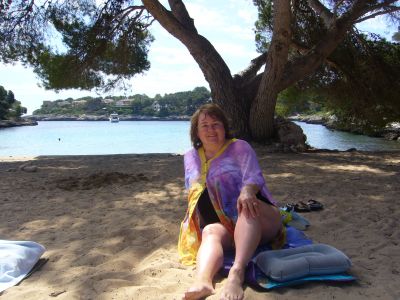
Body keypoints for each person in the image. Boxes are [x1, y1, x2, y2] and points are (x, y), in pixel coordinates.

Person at [179, 103, 284, 300]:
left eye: (216, 124)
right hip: (226, 225)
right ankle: (203, 281)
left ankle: (237, 272)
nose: (211, 130)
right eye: (205, 125)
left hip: (259, 216)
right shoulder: (190, 156)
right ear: (196, 131)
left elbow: (254, 177)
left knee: (246, 206)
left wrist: (247, 191)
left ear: (224, 127)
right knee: (210, 231)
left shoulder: (239, 147)